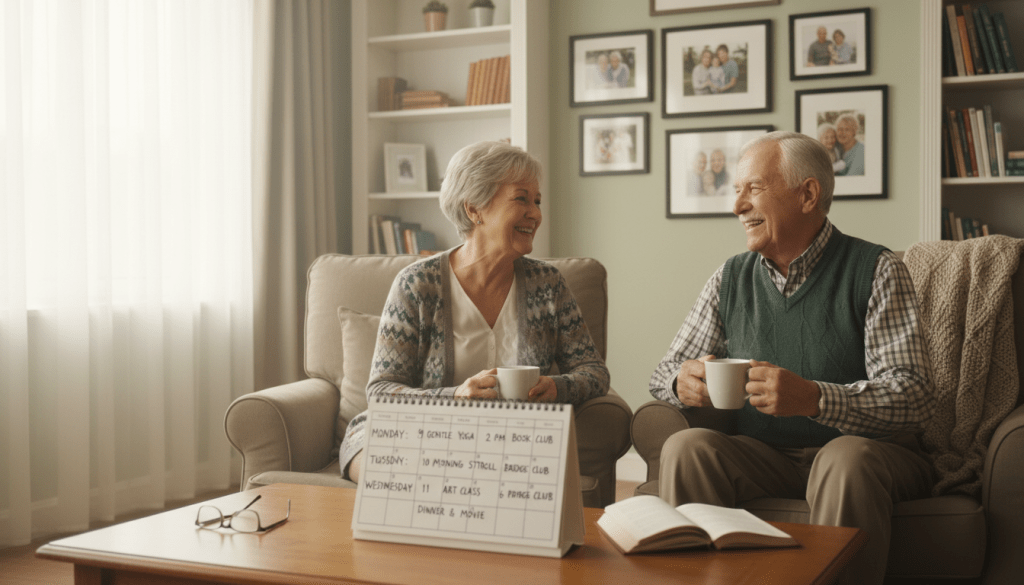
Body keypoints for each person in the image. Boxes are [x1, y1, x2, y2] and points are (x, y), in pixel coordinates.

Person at [649, 131, 935, 585]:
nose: (737, 205)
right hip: (767, 455)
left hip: (869, 455)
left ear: (808, 194)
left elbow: (914, 395)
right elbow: (664, 370)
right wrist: (680, 381)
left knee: (843, 459)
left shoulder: (877, 269)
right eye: (736, 190)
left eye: (753, 189)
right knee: (687, 447)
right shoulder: (730, 278)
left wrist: (815, 398)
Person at [340, 141, 611, 483]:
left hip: (510, 439)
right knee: (385, 464)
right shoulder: (417, 285)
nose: (536, 214)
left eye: (537, 201)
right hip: (420, 433)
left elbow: (595, 373)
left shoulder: (548, 285)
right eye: (521, 199)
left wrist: (558, 387)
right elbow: (382, 392)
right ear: (474, 210)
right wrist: (455, 396)